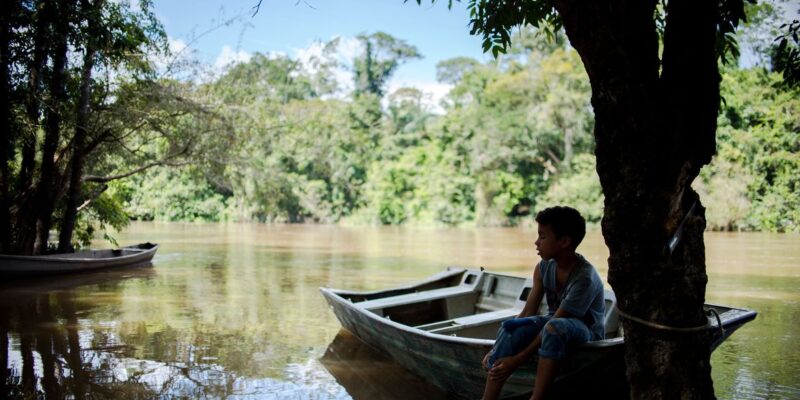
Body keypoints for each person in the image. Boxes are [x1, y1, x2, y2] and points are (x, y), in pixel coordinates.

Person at [481, 206, 605, 400]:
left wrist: (517, 360)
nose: (536, 242)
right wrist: (495, 349)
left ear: (564, 242)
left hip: (587, 332)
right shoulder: (543, 267)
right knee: (513, 326)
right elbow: (527, 312)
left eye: (542, 236)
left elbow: (555, 322)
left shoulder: (584, 278)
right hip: (554, 323)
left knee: (554, 328)